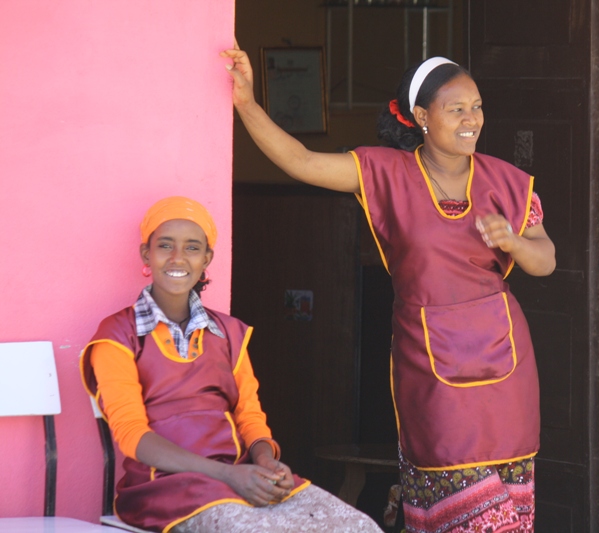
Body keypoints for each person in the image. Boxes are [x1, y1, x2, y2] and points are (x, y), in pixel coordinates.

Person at [221, 44, 556, 533]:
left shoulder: (507, 181)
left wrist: (514, 242)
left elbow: (546, 259)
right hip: (430, 363)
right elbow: (300, 161)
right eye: (456, 108)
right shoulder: (385, 172)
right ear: (422, 115)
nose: (472, 119)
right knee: (465, 499)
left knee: (508, 504)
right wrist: (247, 103)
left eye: (477, 106)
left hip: (505, 364)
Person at [80, 197, 384, 533]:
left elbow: (249, 416)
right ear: (146, 255)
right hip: (163, 488)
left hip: (240, 476)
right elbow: (132, 435)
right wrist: (229, 474)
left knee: (358, 526)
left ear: (206, 259)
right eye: (165, 245)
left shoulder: (229, 333)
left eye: (192, 248)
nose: (177, 258)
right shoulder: (117, 335)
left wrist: (266, 462)